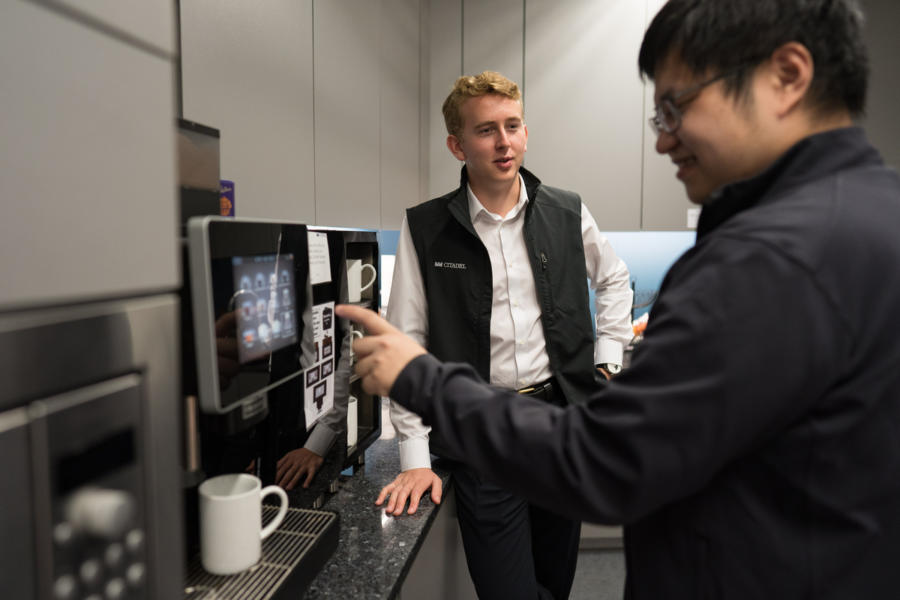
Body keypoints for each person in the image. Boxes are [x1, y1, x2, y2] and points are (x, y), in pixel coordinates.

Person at [338, 1, 900, 597]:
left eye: (675, 107)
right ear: (458, 145)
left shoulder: (763, 262)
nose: (663, 142)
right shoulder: (873, 214)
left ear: (787, 77)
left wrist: (423, 380)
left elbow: (607, 463)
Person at [377, 70, 633, 599]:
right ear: (457, 145)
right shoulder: (426, 228)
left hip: (558, 424)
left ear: (526, 132)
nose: (504, 142)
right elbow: (407, 344)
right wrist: (415, 459)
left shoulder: (566, 210)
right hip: (481, 432)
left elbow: (613, 278)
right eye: (486, 130)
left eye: (512, 126)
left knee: (555, 581)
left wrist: (608, 358)